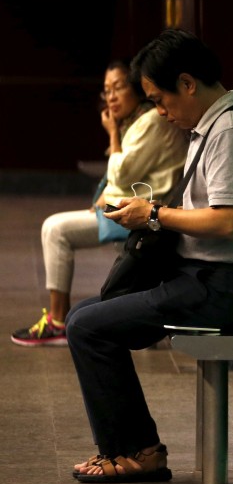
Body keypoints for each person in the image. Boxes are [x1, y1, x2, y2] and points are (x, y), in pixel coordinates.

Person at [67, 29, 233, 483]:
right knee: (87, 314)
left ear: (187, 83)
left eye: (161, 100)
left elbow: (228, 221)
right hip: (203, 276)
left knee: (87, 326)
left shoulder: (232, 131)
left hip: (223, 286)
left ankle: (138, 451)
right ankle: (135, 447)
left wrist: (156, 212)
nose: (161, 112)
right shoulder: (212, 128)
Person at [11, 61, 189, 347]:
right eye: (106, 91)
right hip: (133, 208)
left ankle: (57, 322)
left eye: (118, 87)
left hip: (146, 215)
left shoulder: (151, 121)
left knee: (55, 229)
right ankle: (59, 319)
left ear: (137, 89)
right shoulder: (138, 121)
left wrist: (112, 132)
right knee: (55, 227)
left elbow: (121, 173)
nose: (112, 97)